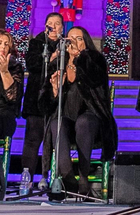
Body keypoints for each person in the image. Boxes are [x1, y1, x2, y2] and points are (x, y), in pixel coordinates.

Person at [37, 25, 116, 199]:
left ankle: (83, 178)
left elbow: (95, 80)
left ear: (86, 42)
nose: (72, 42)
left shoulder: (95, 60)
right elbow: (43, 106)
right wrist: (55, 91)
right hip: (65, 120)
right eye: (69, 39)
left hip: (92, 119)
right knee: (57, 123)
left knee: (84, 122)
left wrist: (79, 58)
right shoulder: (57, 64)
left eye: (78, 39)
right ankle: (68, 178)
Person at [20, 13, 66, 194]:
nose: (53, 27)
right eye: (50, 24)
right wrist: (50, 57)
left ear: (63, 26)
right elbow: (31, 64)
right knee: (33, 138)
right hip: (36, 97)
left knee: (54, 140)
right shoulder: (36, 43)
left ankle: (51, 178)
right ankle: (27, 178)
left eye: (57, 24)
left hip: (57, 99)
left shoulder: (65, 44)